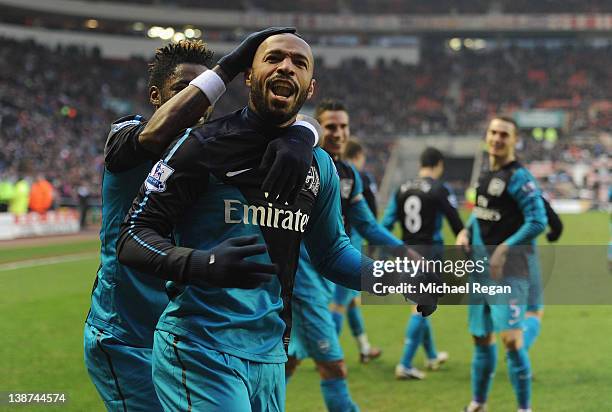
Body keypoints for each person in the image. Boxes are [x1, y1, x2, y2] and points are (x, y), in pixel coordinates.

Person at [116, 32, 378, 412]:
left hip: (271, 352)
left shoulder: (320, 166)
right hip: (200, 346)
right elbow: (133, 235)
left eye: (299, 63)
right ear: (249, 77)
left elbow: (333, 253)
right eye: (273, 58)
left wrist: (397, 277)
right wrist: (200, 264)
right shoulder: (201, 145)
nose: (286, 66)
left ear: (310, 88)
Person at [84, 28, 316, 411]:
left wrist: (304, 133)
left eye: (205, 92)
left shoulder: (206, 147)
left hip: (184, 329)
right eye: (184, 90)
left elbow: (275, 120)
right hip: (126, 332)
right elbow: (158, 134)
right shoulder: (126, 136)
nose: (199, 105)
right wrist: (227, 68)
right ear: (156, 96)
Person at [286, 99, 410, 412]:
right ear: (318, 128)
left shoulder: (348, 174)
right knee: (334, 366)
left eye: (343, 126)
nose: (339, 133)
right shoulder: (303, 163)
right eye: (331, 126)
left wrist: (405, 251)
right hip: (303, 280)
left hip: (326, 276)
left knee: (289, 361)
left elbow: (368, 225)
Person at [457, 116, 547, 412]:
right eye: (493, 132)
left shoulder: (521, 178)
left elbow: (538, 221)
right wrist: (465, 231)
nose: (497, 138)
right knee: (480, 337)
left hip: (509, 271)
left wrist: (506, 247)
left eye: (504, 134)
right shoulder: (484, 175)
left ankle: (524, 408)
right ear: (487, 135)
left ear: (514, 140)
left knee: (510, 340)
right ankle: (478, 402)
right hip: (479, 270)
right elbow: (480, 213)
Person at [382, 147, 463, 379]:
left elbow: (385, 224)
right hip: (430, 255)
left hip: (406, 252)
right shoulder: (440, 188)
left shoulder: (402, 188)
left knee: (420, 305)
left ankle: (431, 355)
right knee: (420, 308)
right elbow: (455, 221)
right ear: (439, 165)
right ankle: (405, 364)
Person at [330, 139, 382, 363]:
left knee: (350, 302)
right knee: (340, 303)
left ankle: (364, 347)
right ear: (358, 155)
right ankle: (327, 351)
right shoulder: (357, 177)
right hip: (348, 246)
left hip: (337, 243)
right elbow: (370, 217)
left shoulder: (333, 171)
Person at [523, 196, 563, 351]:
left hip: (486, 257)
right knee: (533, 310)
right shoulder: (527, 190)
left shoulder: (488, 188)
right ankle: (518, 352)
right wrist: (552, 235)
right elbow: (556, 225)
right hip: (522, 258)